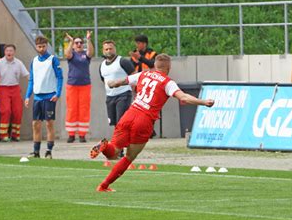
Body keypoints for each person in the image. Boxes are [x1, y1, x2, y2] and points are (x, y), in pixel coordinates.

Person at [90, 53, 214, 192]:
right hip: (144, 120)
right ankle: (103, 185)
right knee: (129, 157)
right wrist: (203, 102)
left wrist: (112, 83)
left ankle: (104, 147)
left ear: (155, 65)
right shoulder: (168, 82)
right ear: (169, 67)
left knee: (113, 153)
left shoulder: (143, 74)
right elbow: (183, 98)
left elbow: (121, 82)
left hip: (129, 114)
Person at [24, 36, 63, 159]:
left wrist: (58, 93)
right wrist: (27, 96)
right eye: (39, 46)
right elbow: (31, 80)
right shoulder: (34, 61)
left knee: (49, 124)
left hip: (50, 96)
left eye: (43, 46)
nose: (41, 49)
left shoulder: (53, 60)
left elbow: (60, 77)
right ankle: (36, 152)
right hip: (37, 98)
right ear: (36, 47)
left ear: (47, 46)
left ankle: (48, 151)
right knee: (36, 124)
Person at [0, 44, 29, 142]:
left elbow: (27, 75)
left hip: (15, 88)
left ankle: (15, 134)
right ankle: (3, 135)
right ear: (4, 52)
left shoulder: (18, 63)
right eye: (7, 51)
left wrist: (33, 82)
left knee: (17, 111)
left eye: (11, 51)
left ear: (14, 52)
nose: (9, 53)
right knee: (6, 111)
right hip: (3, 88)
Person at [64, 31, 94, 143]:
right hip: (72, 85)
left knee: (84, 109)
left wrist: (88, 39)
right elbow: (67, 54)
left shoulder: (85, 54)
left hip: (85, 85)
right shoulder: (72, 54)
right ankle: (71, 134)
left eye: (80, 42)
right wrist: (70, 42)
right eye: (76, 43)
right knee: (72, 109)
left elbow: (91, 52)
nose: (79, 44)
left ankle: (82, 135)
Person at [99, 40, 135, 128]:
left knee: (122, 121)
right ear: (103, 51)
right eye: (106, 49)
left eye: (110, 48)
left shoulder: (122, 61)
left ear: (115, 49)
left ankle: (123, 140)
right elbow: (103, 80)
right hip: (110, 96)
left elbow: (134, 76)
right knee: (114, 123)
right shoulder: (102, 65)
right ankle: (119, 140)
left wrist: (133, 91)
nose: (108, 51)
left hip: (123, 94)